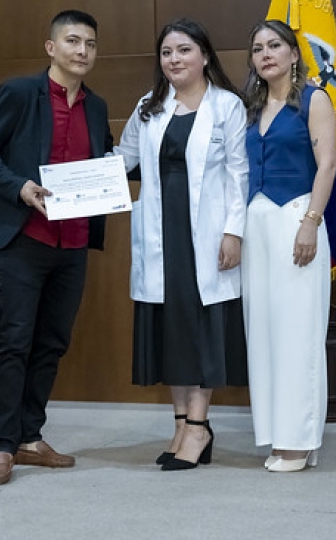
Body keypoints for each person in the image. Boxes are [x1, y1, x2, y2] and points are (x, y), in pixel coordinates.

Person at [0, 10, 114, 486]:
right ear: (51, 48)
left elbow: (104, 163)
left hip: (72, 243)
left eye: (90, 44)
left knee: (51, 344)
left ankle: (31, 437)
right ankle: (2, 446)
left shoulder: (95, 106)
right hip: (24, 238)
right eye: (73, 41)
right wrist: (19, 187)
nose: (82, 51)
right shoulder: (19, 92)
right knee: (13, 343)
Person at [115, 18, 248, 471]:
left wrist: (234, 231)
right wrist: (75, 180)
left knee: (202, 325)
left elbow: (238, 174)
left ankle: (199, 425)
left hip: (207, 233)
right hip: (160, 230)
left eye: (184, 50)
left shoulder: (228, 106)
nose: (174, 59)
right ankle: (179, 424)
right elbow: (122, 161)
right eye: (167, 52)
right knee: (169, 326)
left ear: (205, 56)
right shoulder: (149, 106)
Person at [241, 19, 336, 472]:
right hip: (257, 223)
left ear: (294, 54)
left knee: (298, 334)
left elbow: (328, 165)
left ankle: (298, 441)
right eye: (258, 48)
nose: (266, 54)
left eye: (275, 45)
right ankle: (281, 434)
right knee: (264, 333)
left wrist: (309, 224)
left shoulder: (313, 99)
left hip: (297, 217)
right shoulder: (252, 106)